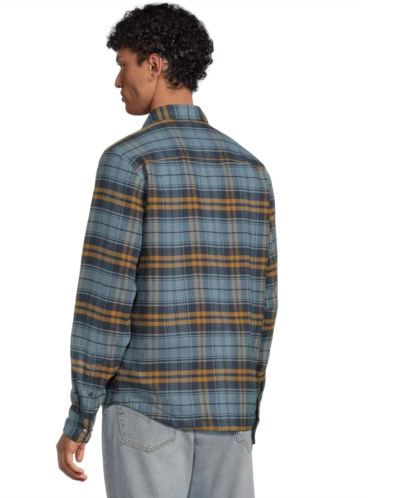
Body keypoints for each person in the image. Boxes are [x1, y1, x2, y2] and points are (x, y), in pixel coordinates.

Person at [56, 3, 278, 497]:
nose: (118, 81)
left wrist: (80, 415)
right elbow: (264, 308)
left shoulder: (128, 162)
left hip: (147, 410)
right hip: (230, 417)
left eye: (123, 64)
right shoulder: (252, 170)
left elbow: (104, 301)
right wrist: (247, 410)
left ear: (154, 65)